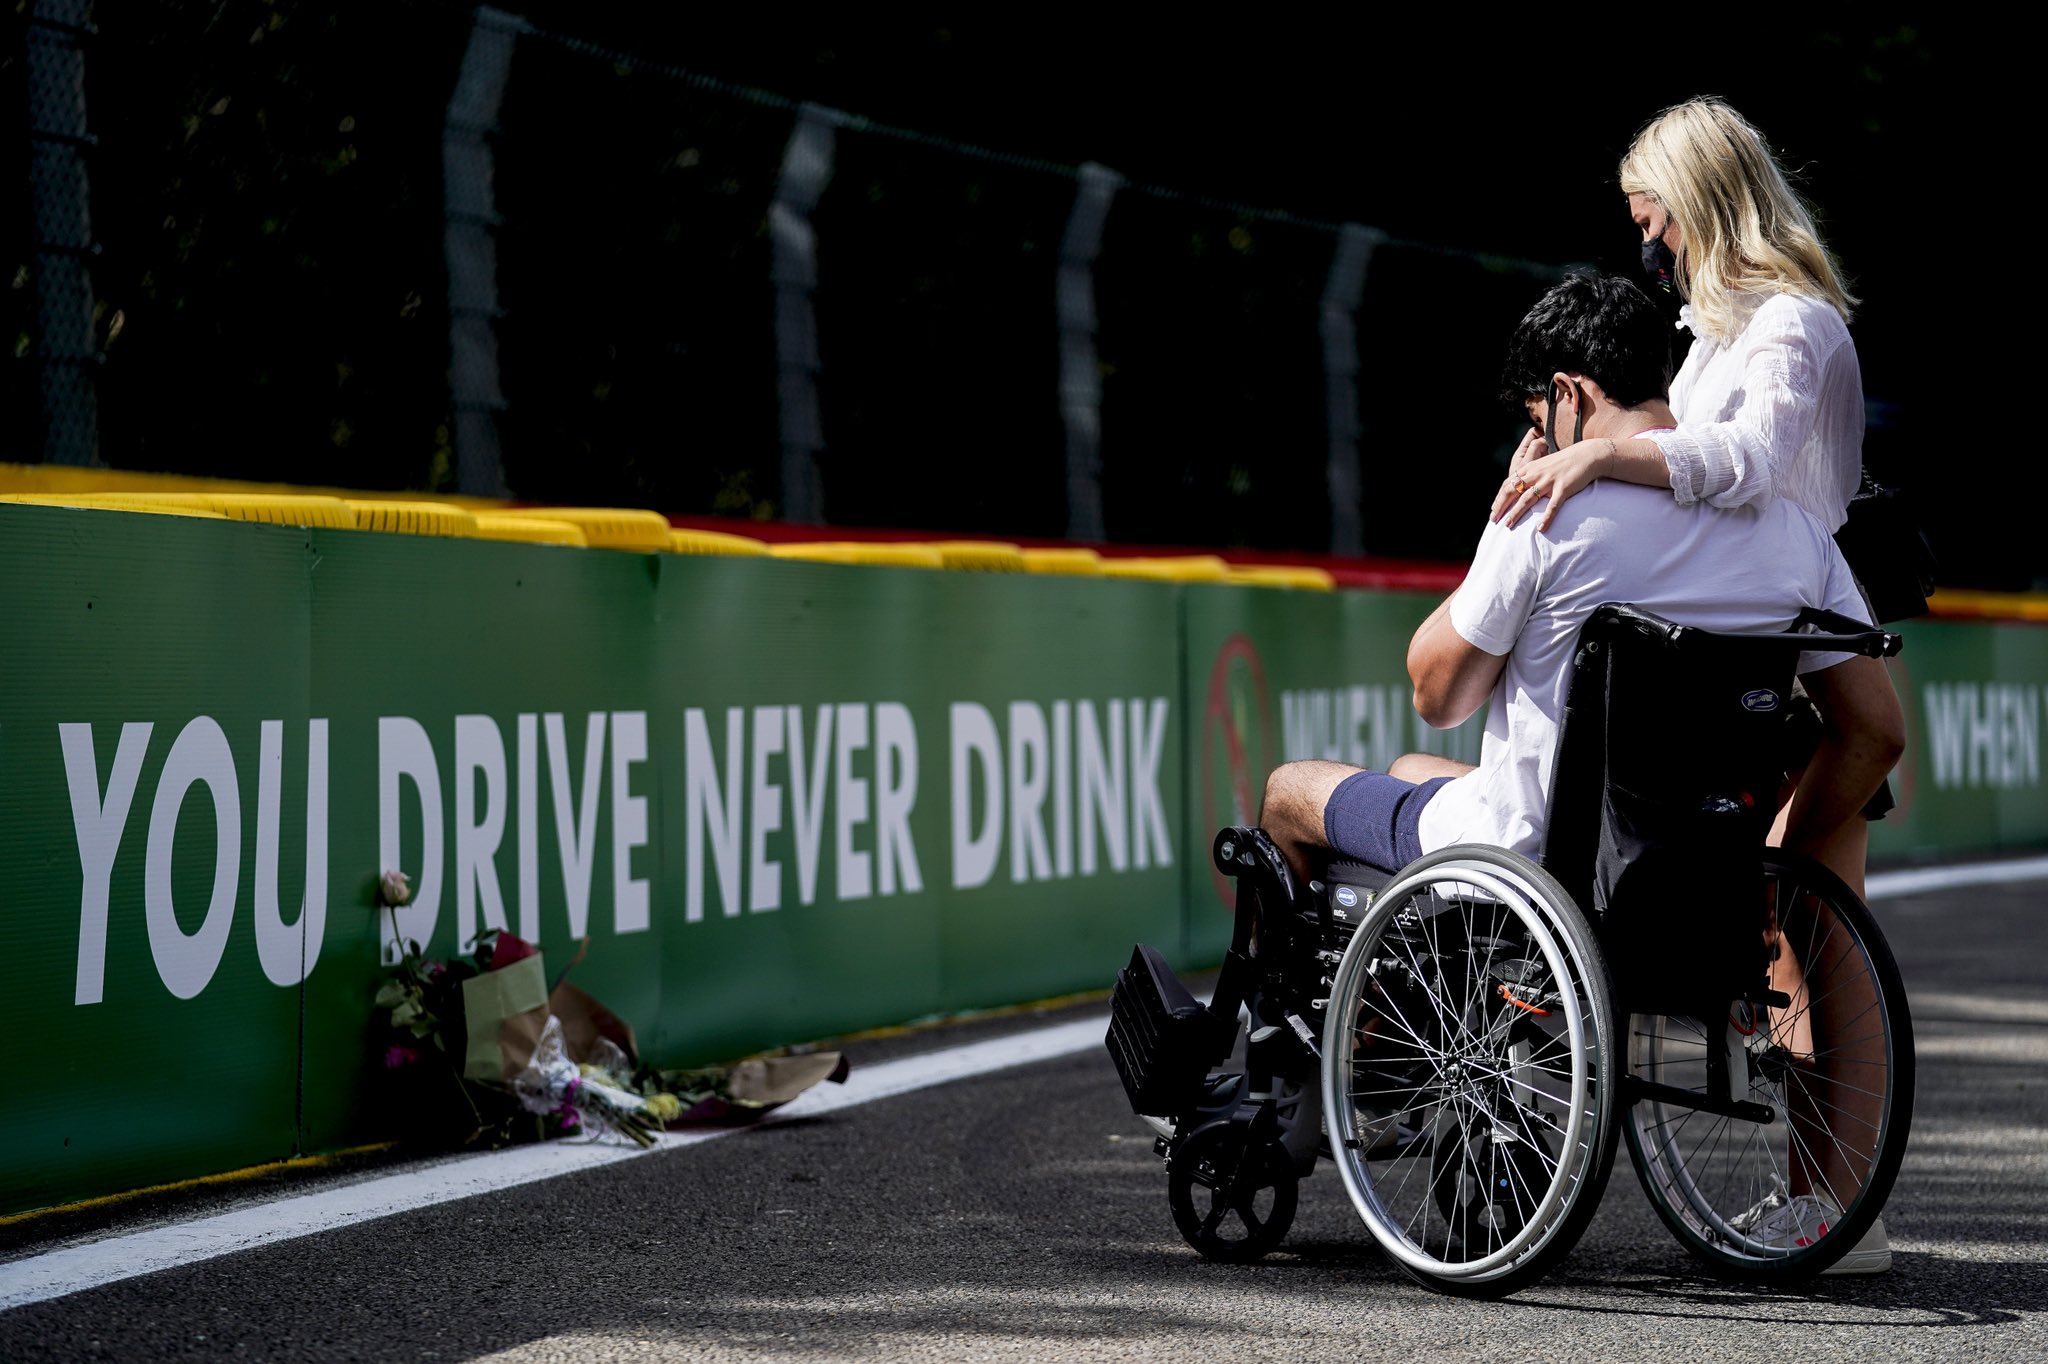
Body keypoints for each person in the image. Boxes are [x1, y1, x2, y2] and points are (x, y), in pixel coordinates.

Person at [1257, 272, 1904, 1273]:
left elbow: (1436, 687)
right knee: (1408, 771)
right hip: (1696, 873)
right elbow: (1870, 726)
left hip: (1533, 862)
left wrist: (1497, 521)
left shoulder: (1553, 508)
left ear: (1567, 393)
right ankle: (1415, 1057)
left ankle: (1326, 1079)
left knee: (1291, 794)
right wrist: (1786, 844)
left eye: (1537, 416)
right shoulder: (1789, 530)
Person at [1486, 97, 1884, 897]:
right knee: (1770, 947)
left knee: (1804, 933)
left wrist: (1602, 454)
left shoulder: (1790, 324)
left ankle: (1774, 884)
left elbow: (1752, 462)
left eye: (1652, 221)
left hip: (1791, 648)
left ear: (1700, 203)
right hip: (1750, 638)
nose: (1647, 244)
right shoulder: (1716, 335)